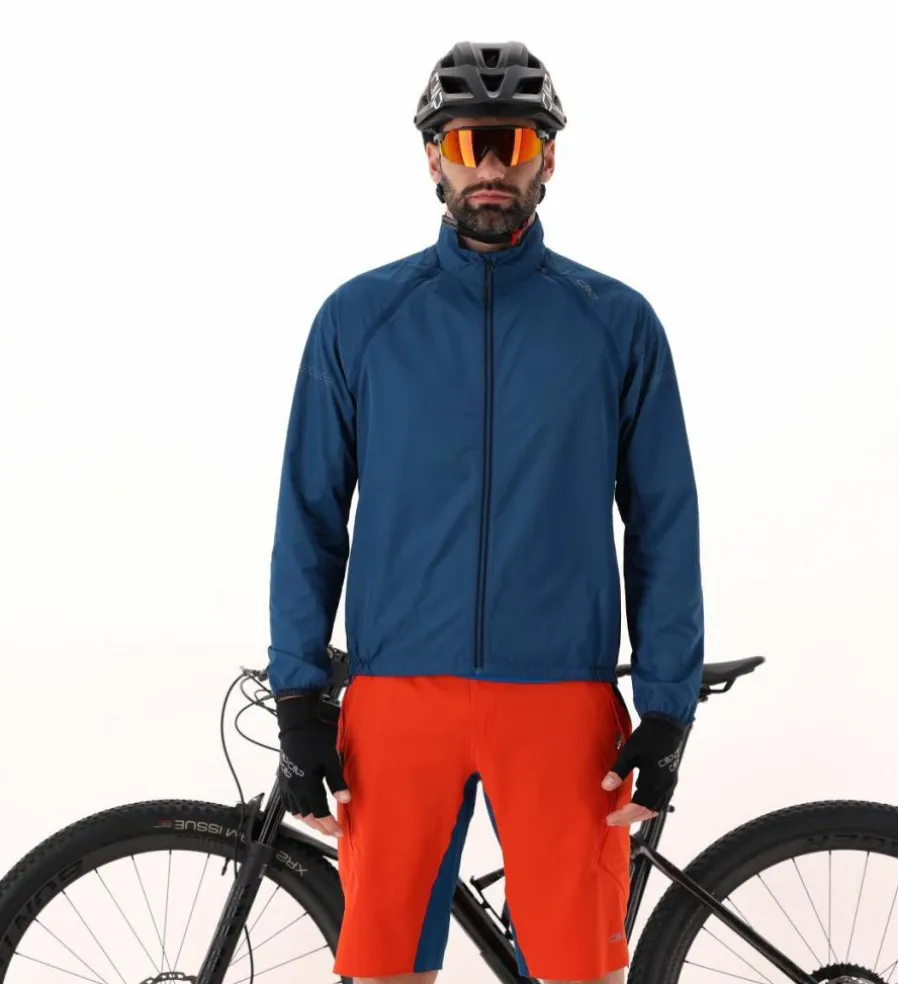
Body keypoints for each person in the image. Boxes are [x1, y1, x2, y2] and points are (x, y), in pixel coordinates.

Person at [267, 40, 704, 984]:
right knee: (385, 971)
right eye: (471, 145)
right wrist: (298, 695)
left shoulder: (616, 323)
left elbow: (663, 522)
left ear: (550, 157)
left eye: (516, 143)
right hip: (397, 701)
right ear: (434, 157)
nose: (494, 167)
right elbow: (309, 513)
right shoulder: (359, 320)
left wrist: (667, 706)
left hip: (560, 699)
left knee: (582, 974)